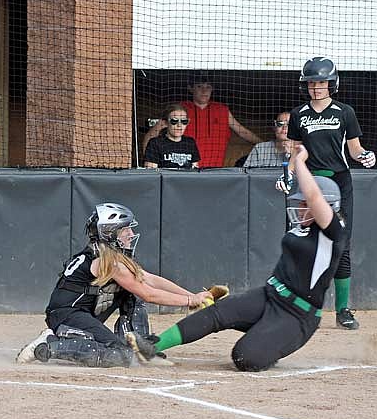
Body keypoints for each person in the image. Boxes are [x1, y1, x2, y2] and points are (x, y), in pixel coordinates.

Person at [128, 145, 348, 372]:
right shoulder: (304, 228)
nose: (301, 208)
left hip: (298, 315)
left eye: (306, 205)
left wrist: (300, 161)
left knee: (244, 357)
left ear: (327, 205)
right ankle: (152, 346)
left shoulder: (333, 232)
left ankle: (269, 342)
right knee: (216, 313)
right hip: (270, 295)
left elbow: (312, 195)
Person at [16, 203, 211, 368]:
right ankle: (49, 345)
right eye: (125, 229)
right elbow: (148, 294)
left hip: (82, 313)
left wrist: (193, 296)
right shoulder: (108, 262)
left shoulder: (113, 257)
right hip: (66, 316)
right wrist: (189, 301)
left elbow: (150, 280)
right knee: (119, 355)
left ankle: (141, 350)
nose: (131, 233)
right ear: (109, 233)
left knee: (130, 295)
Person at [276, 56, 376, 330]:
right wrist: (288, 175)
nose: (316, 87)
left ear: (332, 84)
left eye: (321, 82)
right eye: (311, 83)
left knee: (341, 246)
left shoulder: (344, 112)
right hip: (310, 185)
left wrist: (365, 156)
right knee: (298, 244)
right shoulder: (298, 115)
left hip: (340, 185)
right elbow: (296, 151)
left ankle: (343, 309)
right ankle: (294, 304)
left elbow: (355, 149)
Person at [142, 73, 262, 167]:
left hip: (215, 171)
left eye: (208, 87)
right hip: (185, 171)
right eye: (199, 86)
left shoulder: (222, 110)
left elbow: (243, 132)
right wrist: (150, 160)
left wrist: (266, 145)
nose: (204, 91)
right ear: (191, 88)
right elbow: (151, 135)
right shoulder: (180, 110)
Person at [144, 103, 200, 169]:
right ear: (165, 123)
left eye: (184, 121)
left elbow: (195, 169)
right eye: (174, 121)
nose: (179, 125)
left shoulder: (190, 143)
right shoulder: (155, 143)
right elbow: (151, 172)